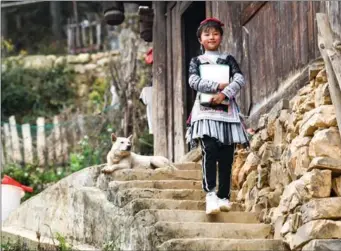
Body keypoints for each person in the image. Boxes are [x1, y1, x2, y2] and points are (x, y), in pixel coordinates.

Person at [188, 17, 249, 215]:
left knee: (226, 155)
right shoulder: (197, 61)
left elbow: (239, 78)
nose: (211, 37)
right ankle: (210, 195)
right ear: (200, 39)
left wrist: (224, 93)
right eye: (207, 34)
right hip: (205, 114)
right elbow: (193, 80)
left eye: (215, 33)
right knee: (210, 149)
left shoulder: (228, 59)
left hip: (227, 114)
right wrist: (216, 86)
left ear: (221, 37)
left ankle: (224, 196)